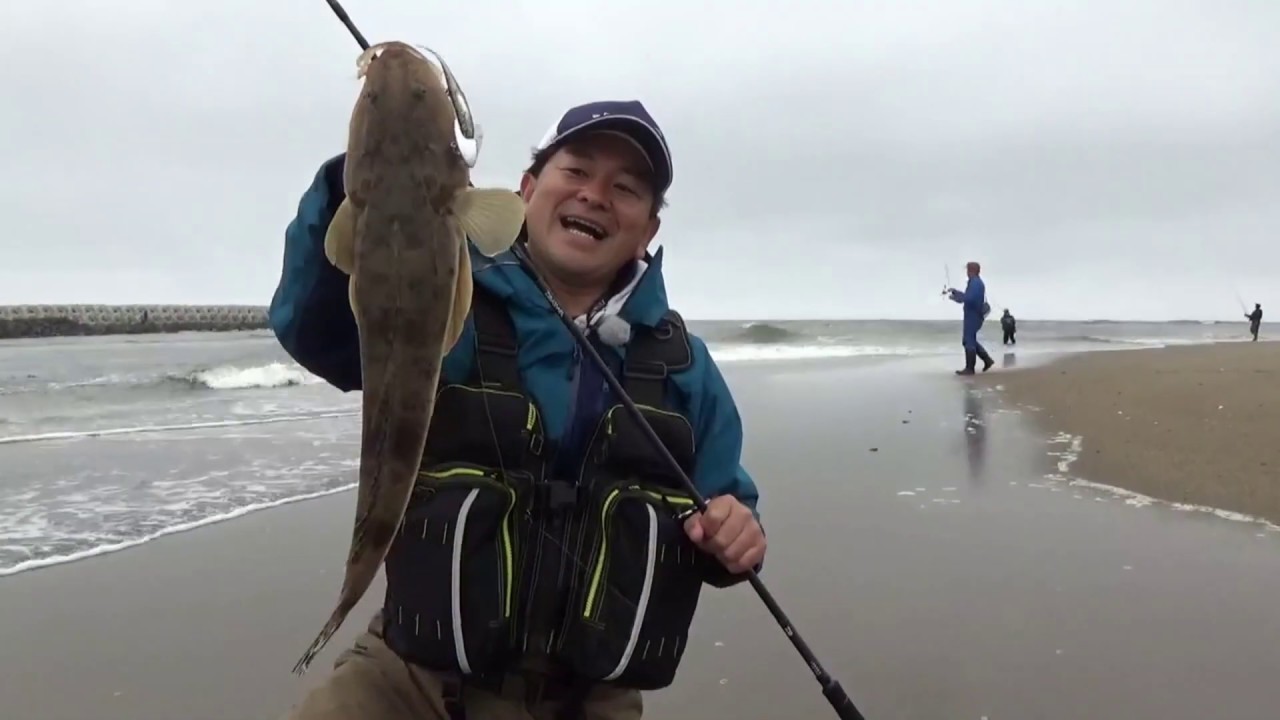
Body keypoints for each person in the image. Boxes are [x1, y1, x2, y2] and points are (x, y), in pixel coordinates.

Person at [267, 99, 766, 720]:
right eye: (576, 171)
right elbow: (317, 329)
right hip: (412, 678)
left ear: (648, 229)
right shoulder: (449, 302)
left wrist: (737, 532)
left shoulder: (684, 368)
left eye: (627, 188)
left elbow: (728, 505)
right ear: (526, 189)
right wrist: (369, 183)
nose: (595, 195)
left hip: (591, 701)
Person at [944, 261, 994, 375]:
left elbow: (970, 299)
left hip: (974, 316)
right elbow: (969, 296)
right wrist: (956, 292)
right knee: (968, 340)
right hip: (973, 315)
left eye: (967, 270)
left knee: (969, 341)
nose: (967, 272)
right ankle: (987, 360)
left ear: (971, 270)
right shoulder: (975, 282)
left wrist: (957, 298)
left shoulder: (976, 283)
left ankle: (970, 369)